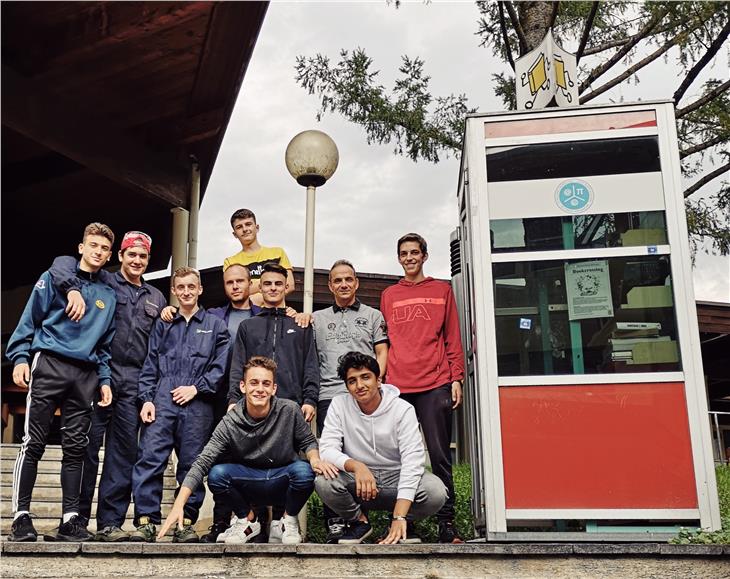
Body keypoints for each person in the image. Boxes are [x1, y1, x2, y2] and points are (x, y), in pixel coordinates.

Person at [48, 231, 167, 542]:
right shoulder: (105, 282)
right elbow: (63, 264)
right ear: (120, 256)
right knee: (86, 449)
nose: (137, 260)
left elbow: (157, 350)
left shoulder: (156, 298)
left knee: (123, 455)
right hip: (99, 376)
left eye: (142, 256)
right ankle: (76, 520)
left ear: (148, 260)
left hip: (135, 384)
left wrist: (148, 393)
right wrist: (73, 290)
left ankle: (109, 524)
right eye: (131, 254)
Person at [6, 223, 117, 542]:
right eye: (93, 245)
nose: (98, 251)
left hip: (86, 374)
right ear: (81, 247)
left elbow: (105, 345)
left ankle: (70, 518)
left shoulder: (108, 295)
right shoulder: (54, 277)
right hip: (49, 363)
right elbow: (30, 318)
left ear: (109, 254)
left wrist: (105, 380)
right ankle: (21, 517)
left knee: (76, 448)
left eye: (104, 248)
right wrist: (20, 357)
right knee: (34, 442)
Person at [157, 356, 337, 545]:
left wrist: (315, 459)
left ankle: (287, 520)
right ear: (243, 386)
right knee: (217, 474)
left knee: (305, 471)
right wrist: (179, 504)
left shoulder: (290, 410)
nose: (260, 388)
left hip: (282, 479)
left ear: (274, 388)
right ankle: (248, 520)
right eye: (254, 383)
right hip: (249, 482)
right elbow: (203, 461)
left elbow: (308, 441)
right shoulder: (230, 421)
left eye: (266, 383)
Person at [130, 267, 229, 543]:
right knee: (150, 458)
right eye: (180, 287)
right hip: (162, 398)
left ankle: (185, 523)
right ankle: (146, 521)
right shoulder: (163, 324)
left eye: (191, 287)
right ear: (174, 291)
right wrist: (147, 399)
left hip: (198, 404)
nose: (186, 292)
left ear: (199, 290)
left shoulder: (215, 326)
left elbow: (220, 367)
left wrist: (196, 388)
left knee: (192, 463)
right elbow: (150, 363)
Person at [380, 233, 465, 543]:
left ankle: (447, 524)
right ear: (399, 258)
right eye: (404, 253)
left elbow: (452, 338)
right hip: (398, 386)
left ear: (425, 256)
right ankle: (407, 522)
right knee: (399, 457)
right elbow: (386, 343)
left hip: (435, 382)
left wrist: (456, 378)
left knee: (440, 455)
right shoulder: (389, 295)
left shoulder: (442, 290)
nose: (409, 257)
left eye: (415, 252)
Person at [295, 259, 389, 540]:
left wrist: (375, 384)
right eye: (338, 280)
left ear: (356, 283)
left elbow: (381, 352)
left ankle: (363, 516)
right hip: (329, 396)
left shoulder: (373, 315)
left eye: (348, 279)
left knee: (362, 455)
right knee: (331, 457)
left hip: (365, 396)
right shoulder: (318, 319)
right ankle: (336, 517)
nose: (344, 284)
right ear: (330, 285)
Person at [315, 352, 447, 544]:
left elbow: (413, 461)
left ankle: (399, 523)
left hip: (396, 476)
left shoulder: (402, 409)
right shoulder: (339, 404)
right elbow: (327, 448)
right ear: (347, 386)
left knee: (436, 491)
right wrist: (357, 466)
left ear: (379, 380)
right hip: (359, 480)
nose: (359, 385)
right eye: (352, 381)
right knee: (323, 482)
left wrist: (399, 516)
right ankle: (360, 522)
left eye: (365, 377)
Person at [226, 263, 318, 419]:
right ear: (260, 287)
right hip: (254, 406)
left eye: (278, 283)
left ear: (286, 286)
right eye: (268, 284)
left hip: (293, 406)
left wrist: (310, 400)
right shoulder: (248, 326)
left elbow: (311, 366)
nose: (273, 288)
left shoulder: (301, 325)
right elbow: (237, 366)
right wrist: (233, 399)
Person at [223, 208, 295, 307]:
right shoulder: (230, 262)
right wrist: (272, 284)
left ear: (257, 228)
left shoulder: (278, 253)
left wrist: (257, 298)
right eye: (239, 227)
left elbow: (289, 285)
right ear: (235, 234)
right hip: (248, 316)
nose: (245, 229)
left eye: (248, 224)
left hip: (275, 314)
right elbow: (235, 290)